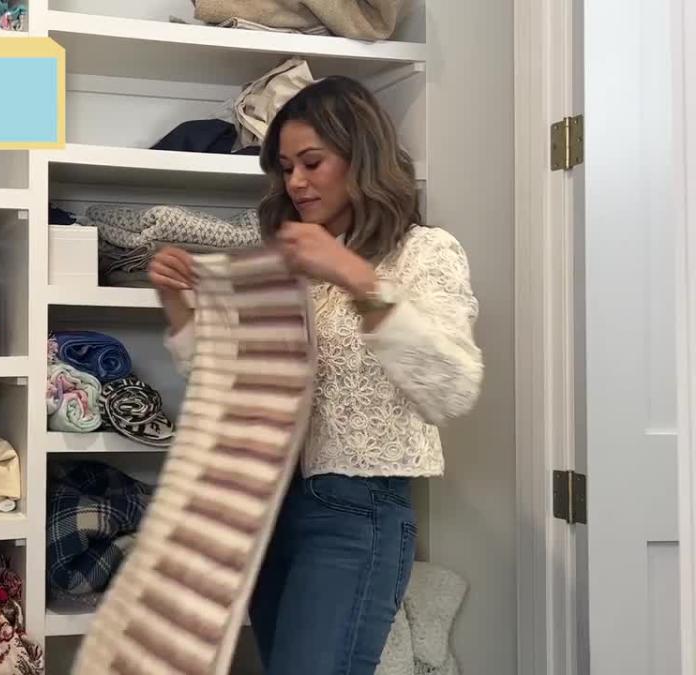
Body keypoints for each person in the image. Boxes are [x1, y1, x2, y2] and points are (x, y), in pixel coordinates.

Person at [148, 75, 484, 675]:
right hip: (271, 510)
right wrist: (180, 304)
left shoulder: (425, 252)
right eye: (285, 167)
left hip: (357, 511)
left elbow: (453, 388)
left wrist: (356, 276)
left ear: (363, 159)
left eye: (312, 162)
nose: (296, 183)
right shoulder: (292, 263)